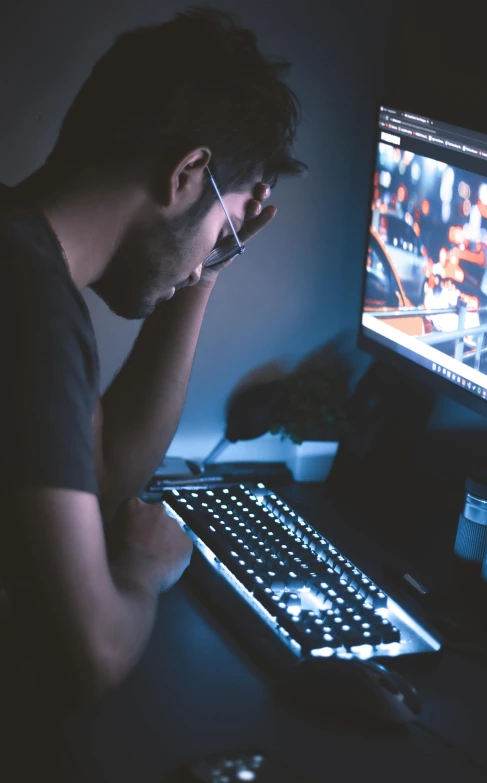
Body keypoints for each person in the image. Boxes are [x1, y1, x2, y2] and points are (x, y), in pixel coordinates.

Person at [0, 5, 306, 732]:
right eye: (223, 230)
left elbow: (99, 475)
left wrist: (204, 269)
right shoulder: (28, 309)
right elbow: (87, 657)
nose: (210, 253)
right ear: (186, 173)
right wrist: (145, 566)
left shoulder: (28, 267)